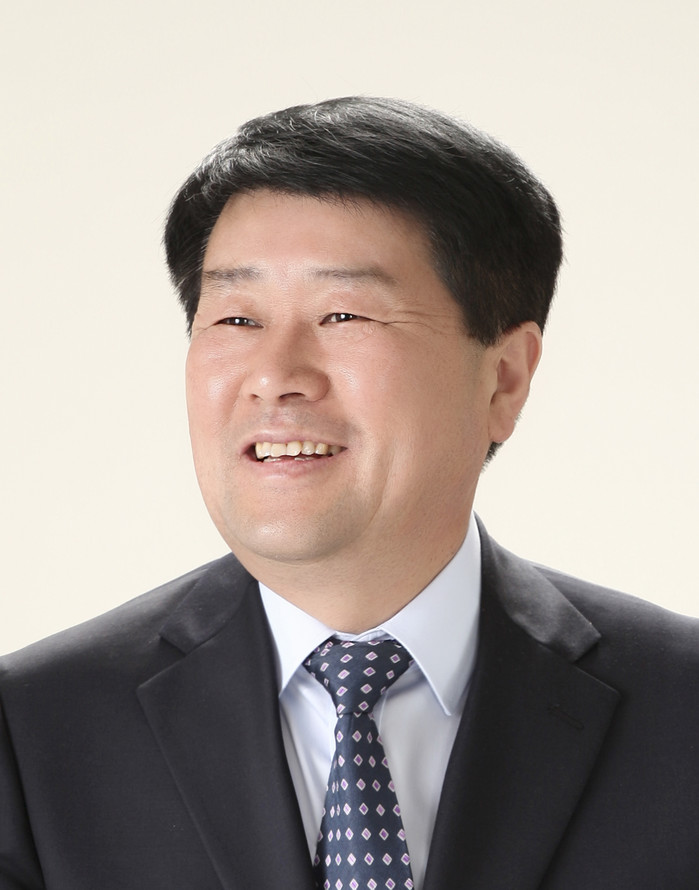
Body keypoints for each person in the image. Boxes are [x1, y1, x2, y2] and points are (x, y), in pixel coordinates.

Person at [1, 97, 697, 890]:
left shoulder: (679, 710)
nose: (275, 376)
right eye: (234, 320)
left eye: (342, 314)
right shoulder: (30, 733)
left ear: (503, 379)